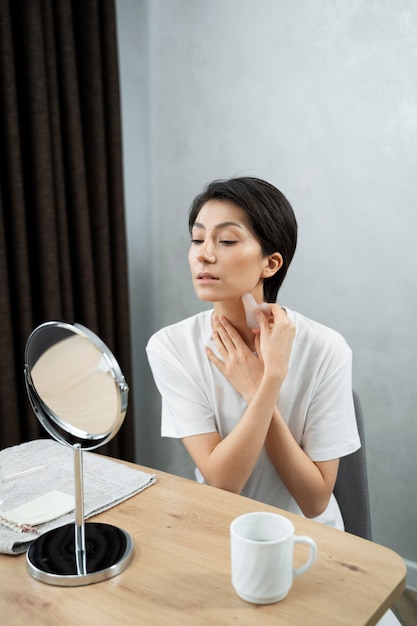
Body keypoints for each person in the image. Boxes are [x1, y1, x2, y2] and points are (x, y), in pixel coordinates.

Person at [146, 176, 360, 530]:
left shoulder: (325, 348)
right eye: (198, 239)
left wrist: (266, 380)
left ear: (271, 264)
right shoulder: (171, 346)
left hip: (308, 539)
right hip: (220, 529)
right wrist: (266, 386)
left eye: (226, 240)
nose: (204, 253)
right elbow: (223, 484)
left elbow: (315, 500)